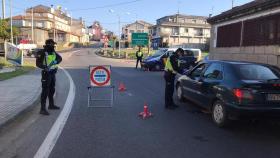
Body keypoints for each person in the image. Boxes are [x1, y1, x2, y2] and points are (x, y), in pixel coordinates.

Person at [36, 39, 62, 115]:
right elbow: (38, 63)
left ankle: (51, 105)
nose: (54, 46)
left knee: (52, 90)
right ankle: (42, 109)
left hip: (52, 73)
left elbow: (60, 58)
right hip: (46, 74)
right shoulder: (42, 52)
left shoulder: (53, 52)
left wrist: (56, 61)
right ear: (48, 44)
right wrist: (45, 67)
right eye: (52, 44)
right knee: (45, 91)